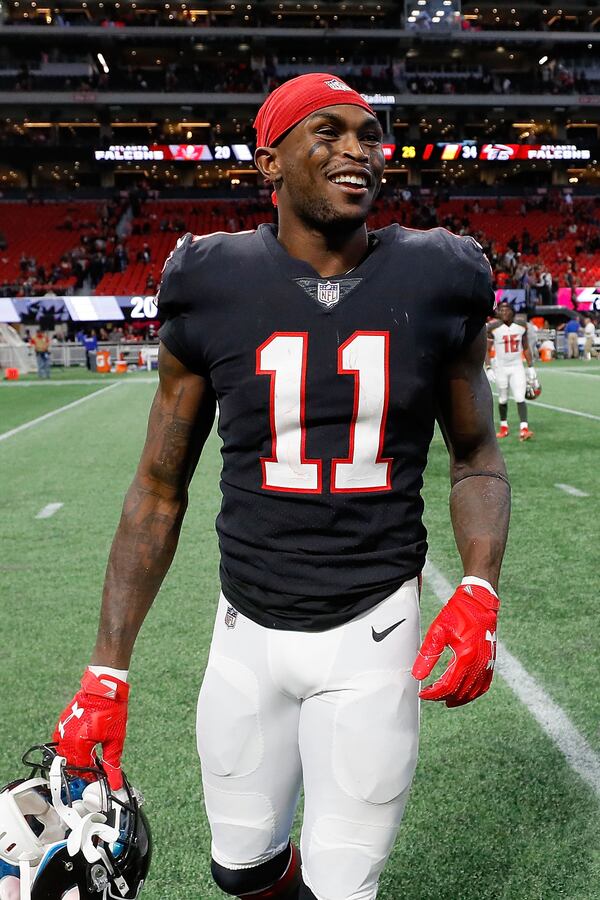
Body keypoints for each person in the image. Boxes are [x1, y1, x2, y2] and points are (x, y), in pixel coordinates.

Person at [53, 73, 510, 900]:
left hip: (374, 630)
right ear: (270, 161)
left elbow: (476, 455)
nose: (357, 151)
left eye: (369, 135)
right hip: (247, 627)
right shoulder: (209, 279)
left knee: (341, 890)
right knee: (244, 872)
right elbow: (159, 488)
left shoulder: (440, 274)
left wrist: (479, 586)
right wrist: (105, 673)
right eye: (327, 131)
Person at [486, 303, 537, 441]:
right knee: (502, 398)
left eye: (506, 310)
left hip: (517, 366)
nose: (503, 312)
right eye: (501, 310)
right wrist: (489, 367)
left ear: (512, 312)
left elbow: (525, 347)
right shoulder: (493, 327)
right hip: (501, 367)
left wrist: (531, 366)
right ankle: (504, 427)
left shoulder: (521, 325)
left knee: (520, 397)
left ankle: (524, 429)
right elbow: (487, 349)